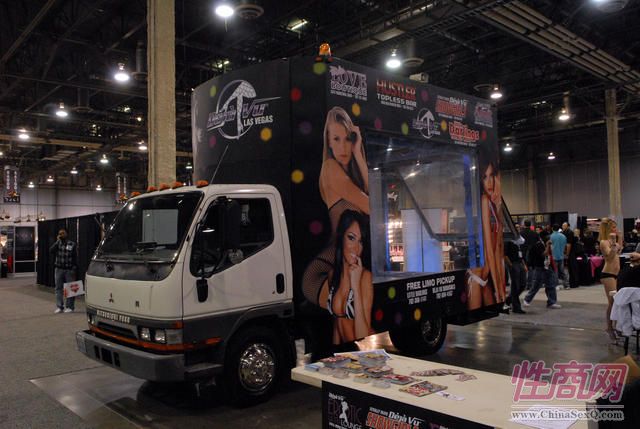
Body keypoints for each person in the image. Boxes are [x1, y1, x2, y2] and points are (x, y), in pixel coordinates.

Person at [302, 106, 369, 309]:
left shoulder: (350, 176)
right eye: (336, 139)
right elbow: (372, 206)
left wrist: (358, 153)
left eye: (347, 139)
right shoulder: (330, 169)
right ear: (328, 142)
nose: (343, 147)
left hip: (342, 266)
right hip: (324, 271)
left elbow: (369, 194)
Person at [319, 210, 374, 344]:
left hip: (361, 350)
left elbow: (363, 336)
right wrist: (335, 352)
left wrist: (355, 287)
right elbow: (337, 325)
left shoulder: (365, 278)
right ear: (341, 237)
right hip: (345, 351)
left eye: (361, 242)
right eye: (351, 238)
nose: (356, 248)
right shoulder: (333, 275)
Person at [467, 157, 505, 310]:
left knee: (488, 314)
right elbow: (489, 249)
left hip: (485, 275)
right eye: (484, 177)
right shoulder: (484, 200)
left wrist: (500, 287)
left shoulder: (493, 205)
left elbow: (497, 250)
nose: (489, 182)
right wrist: (498, 288)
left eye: (491, 176)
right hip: (477, 276)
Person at [523, 232, 561, 309]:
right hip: (540, 268)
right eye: (548, 237)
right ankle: (527, 299)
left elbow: (549, 255)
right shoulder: (538, 245)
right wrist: (547, 246)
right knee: (536, 285)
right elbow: (544, 254)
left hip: (548, 267)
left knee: (551, 285)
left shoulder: (545, 244)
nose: (550, 239)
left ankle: (551, 302)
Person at [599, 218, 623, 340]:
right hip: (608, 274)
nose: (615, 229)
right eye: (613, 227)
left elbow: (620, 249)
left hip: (617, 274)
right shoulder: (604, 242)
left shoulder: (614, 242)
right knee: (612, 302)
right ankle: (609, 328)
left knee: (618, 302)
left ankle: (617, 326)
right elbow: (609, 258)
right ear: (608, 229)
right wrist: (614, 244)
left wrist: (620, 238)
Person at [49, 228, 77, 313]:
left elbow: (75, 256)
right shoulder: (57, 244)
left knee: (70, 288)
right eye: (60, 233)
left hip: (69, 269)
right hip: (59, 269)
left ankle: (70, 307)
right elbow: (51, 250)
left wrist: (74, 267)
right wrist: (57, 242)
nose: (61, 235)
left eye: (63, 233)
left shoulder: (72, 244)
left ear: (67, 234)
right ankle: (60, 307)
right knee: (58, 288)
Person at [505, 225, 527, 314]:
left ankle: (509, 299)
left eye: (518, 228)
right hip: (513, 263)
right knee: (515, 286)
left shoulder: (519, 241)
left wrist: (524, 264)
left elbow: (521, 254)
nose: (517, 229)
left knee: (523, 284)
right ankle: (516, 307)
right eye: (516, 228)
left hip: (520, 263)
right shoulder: (508, 240)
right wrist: (510, 265)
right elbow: (504, 255)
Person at [520, 219, 538, 290]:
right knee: (531, 269)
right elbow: (538, 243)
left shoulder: (521, 233)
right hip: (532, 253)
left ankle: (523, 284)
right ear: (530, 225)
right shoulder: (535, 233)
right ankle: (530, 284)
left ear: (524, 224)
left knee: (523, 269)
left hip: (523, 252)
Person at [550, 224, 568, 288]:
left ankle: (556, 285)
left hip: (554, 256)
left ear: (552, 228)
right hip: (561, 255)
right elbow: (565, 246)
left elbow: (550, 246)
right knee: (562, 271)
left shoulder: (551, 236)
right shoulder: (563, 236)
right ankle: (566, 284)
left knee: (555, 271)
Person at [562, 222, 579, 288]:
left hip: (571, 252)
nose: (563, 227)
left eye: (564, 225)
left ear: (568, 226)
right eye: (562, 225)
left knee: (572, 268)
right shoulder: (563, 232)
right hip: (567, 252)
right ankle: (571, 282)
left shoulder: (569, 232)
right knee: (569, 268)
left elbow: (569, 244)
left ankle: (574, 283)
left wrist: (567, 254)